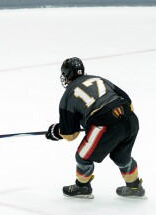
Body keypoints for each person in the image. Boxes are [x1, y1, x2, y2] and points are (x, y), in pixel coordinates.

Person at [45, 57, 145, 199]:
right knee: (121, 156)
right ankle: (134, 187)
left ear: (66, 75)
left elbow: (70, 134)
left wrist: (56, 131)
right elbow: (128, 102)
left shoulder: (67, 96)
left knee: (83, 156)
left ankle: (82, 187)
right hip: (130, 119)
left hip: (105, 125)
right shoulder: (97, 79)